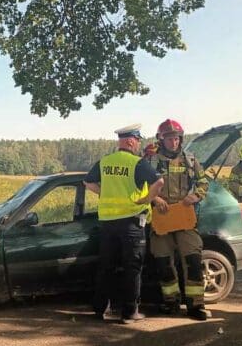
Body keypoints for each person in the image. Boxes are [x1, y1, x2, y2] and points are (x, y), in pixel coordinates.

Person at [84, 124, 164, 324]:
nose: (138, 144)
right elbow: (159, 183)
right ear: (130, 141)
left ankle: (99, 309)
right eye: (138, 141)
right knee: (132, 267)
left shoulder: (104, 162)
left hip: (107, 224)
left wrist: (104, 193)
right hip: (131, 223)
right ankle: (129, 313)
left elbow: (87, 182)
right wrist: (146, 199)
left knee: (106, 267)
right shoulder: (137, 163)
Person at [147, 119, 211, 321]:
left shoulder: (190, 160)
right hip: (161, 218)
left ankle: (196, 305)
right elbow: (139, 187)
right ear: (161, 139)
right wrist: (154, 198)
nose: (173, 142)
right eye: (169, 138)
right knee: (163, 262)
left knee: (193, 260)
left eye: (176, 138)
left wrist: (197, 195)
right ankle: (171, 303)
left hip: (184, 217)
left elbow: (203, 182)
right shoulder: (150, 161)